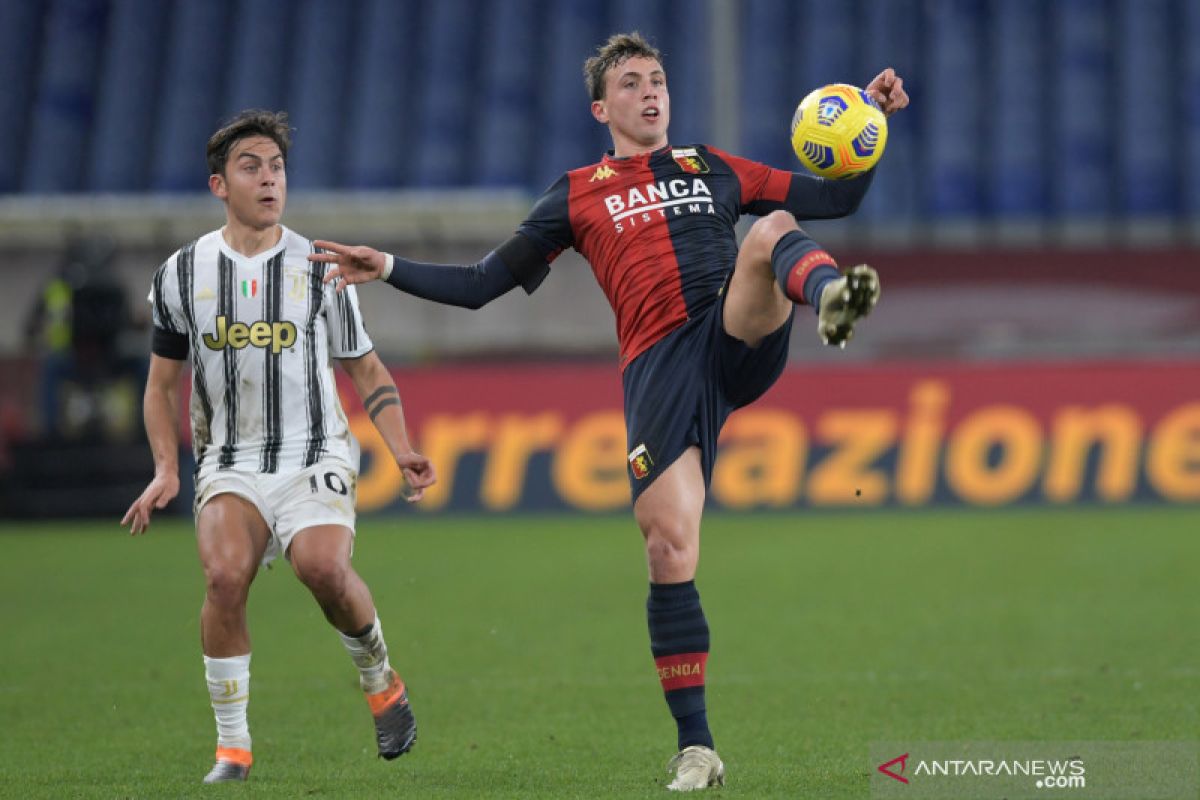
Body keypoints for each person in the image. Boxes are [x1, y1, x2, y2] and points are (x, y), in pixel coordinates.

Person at [312, 33, 909, 791]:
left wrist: (871, 126)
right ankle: (698, 748)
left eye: (657, 79)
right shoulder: (576, 193)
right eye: (632, 83)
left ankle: (833, 301)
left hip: (731, 331)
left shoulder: (714, 166)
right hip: (659, 369)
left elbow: (837, 197)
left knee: (771, 231)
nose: (651, 92)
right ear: (603, 107)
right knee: (668, 549)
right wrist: (386, 268)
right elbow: (480, 284)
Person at [121, 109, 436, 784]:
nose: (269, 180)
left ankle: (381, 681)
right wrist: (165, 469)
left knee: (322, 569)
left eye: (277, 167)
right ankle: (232, 750)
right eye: (251, 167)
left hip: (315, 450)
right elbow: (159, 386)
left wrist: (402, 447)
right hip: (230, 460)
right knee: (223, 576)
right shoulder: (181, 274)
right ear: (218, 185)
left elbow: (366, 367)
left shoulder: (320, 266)